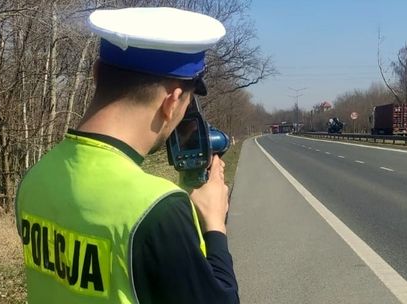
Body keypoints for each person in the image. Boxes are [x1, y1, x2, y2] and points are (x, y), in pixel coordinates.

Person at [15, 7, 239, 304]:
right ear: (171, 102)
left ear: (96, 75)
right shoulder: (158, 210)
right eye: (187, 102)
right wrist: (214, 224)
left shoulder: (34, 179)